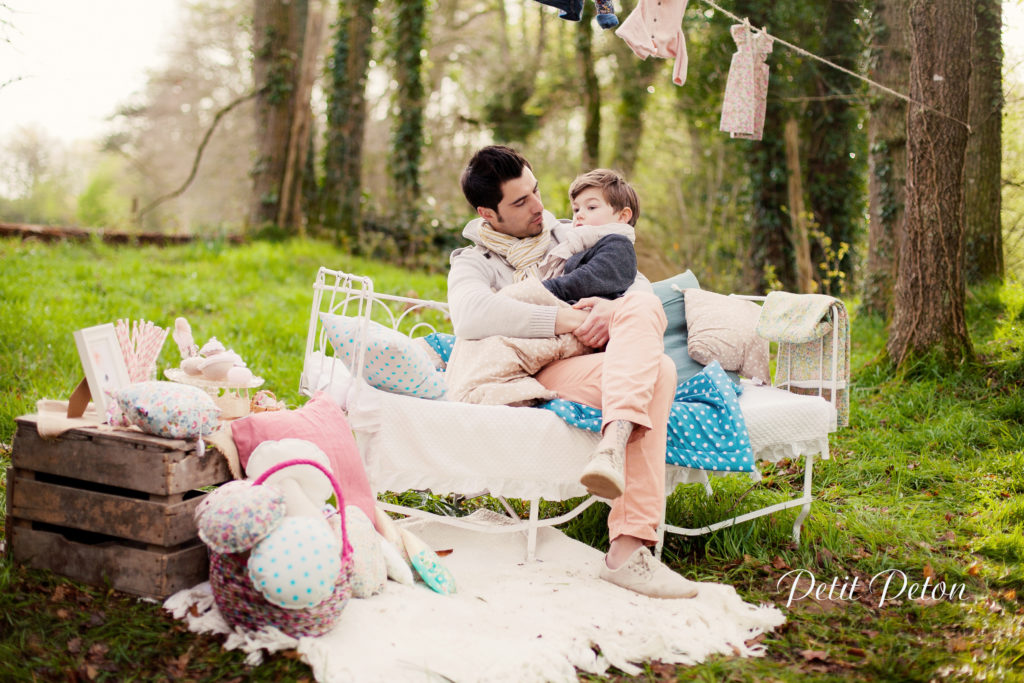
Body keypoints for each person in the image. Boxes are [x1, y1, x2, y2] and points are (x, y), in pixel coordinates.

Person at [448, 145, 700, 599]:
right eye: (520, 202)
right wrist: (564, 319)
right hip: (538, 367)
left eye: (536, 191)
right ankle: (630, 546)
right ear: (489, 213)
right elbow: (469, 317)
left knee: (652, 345)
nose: (539, 207)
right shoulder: (473, 262)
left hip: (593, 358)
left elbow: (635, 281)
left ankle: (616, 472)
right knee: (657, 373)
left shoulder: (571, 232)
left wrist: (611, 306)